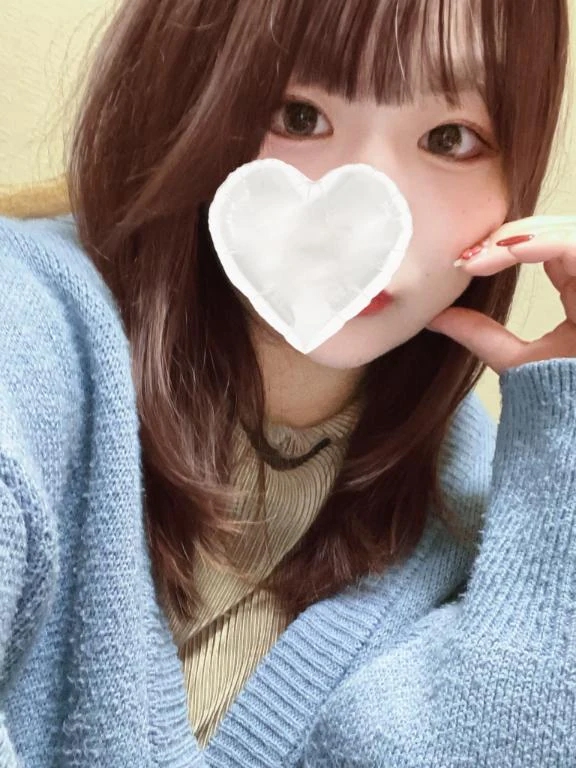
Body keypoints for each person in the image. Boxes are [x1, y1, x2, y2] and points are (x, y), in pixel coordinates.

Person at [0, 0, 575, 765]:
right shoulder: (25, 328)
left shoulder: (485, 512)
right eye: (299, 117)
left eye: (450, 138)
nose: (367, 218)